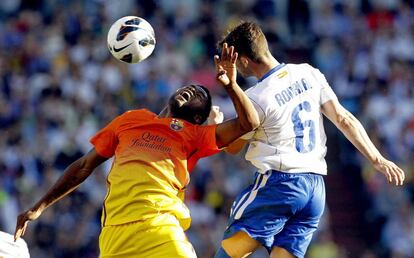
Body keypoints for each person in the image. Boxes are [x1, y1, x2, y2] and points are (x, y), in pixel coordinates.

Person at [14, 43, 260, 258]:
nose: (193, 90)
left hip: (161, 233)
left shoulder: (194, 135)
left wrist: (230, 85)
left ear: (197, 116)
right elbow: (84, 165)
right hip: (114, 239)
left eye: (200, 95)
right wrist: (38, 207)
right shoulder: (131, 119)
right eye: (191, 87)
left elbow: (248, 123)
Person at [214, 21, 405, 258]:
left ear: (241, 60)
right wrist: (377, 159)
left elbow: (232, 148)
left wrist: (216, 121)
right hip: (315, 190)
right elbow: (344, 118)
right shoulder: (308, 72)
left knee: (229, 254)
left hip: (280, 186)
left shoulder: (255, 98)